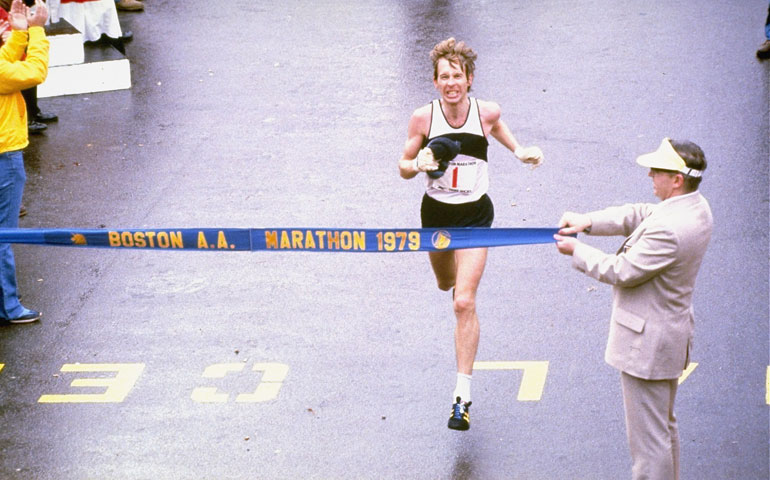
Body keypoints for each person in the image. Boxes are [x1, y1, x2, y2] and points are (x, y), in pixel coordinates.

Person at [398, 37, 544, 431]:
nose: (451, 83)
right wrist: (419, 163)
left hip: (476, 217)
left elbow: (500, 132)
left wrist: (521, 152)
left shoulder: (487, 112)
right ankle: (448, 277)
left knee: (463, 302)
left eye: (457, 75)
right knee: (446, 283)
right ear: (434, 82)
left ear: (469, 78)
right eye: (443, 76)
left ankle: (461, 398)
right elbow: (402, 165)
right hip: (436, 217)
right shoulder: (423, 119)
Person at [554, 138, 713, 479]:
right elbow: (639, 214)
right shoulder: (694, 207)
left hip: (648, 345)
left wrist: (577, 251)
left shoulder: (671, 229)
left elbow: (621, 271)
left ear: (677, 180)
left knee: (648, 446)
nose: (651, 175)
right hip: (669, 335)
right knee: (663, 430)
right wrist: (588, 221)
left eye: (658, 171)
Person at [0, 0, 48, 324]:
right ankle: (8, 307)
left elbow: (5, 62)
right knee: (3, 235)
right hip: (5, 154)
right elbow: (34, 72)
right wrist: (37, 29)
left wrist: (17, 35)